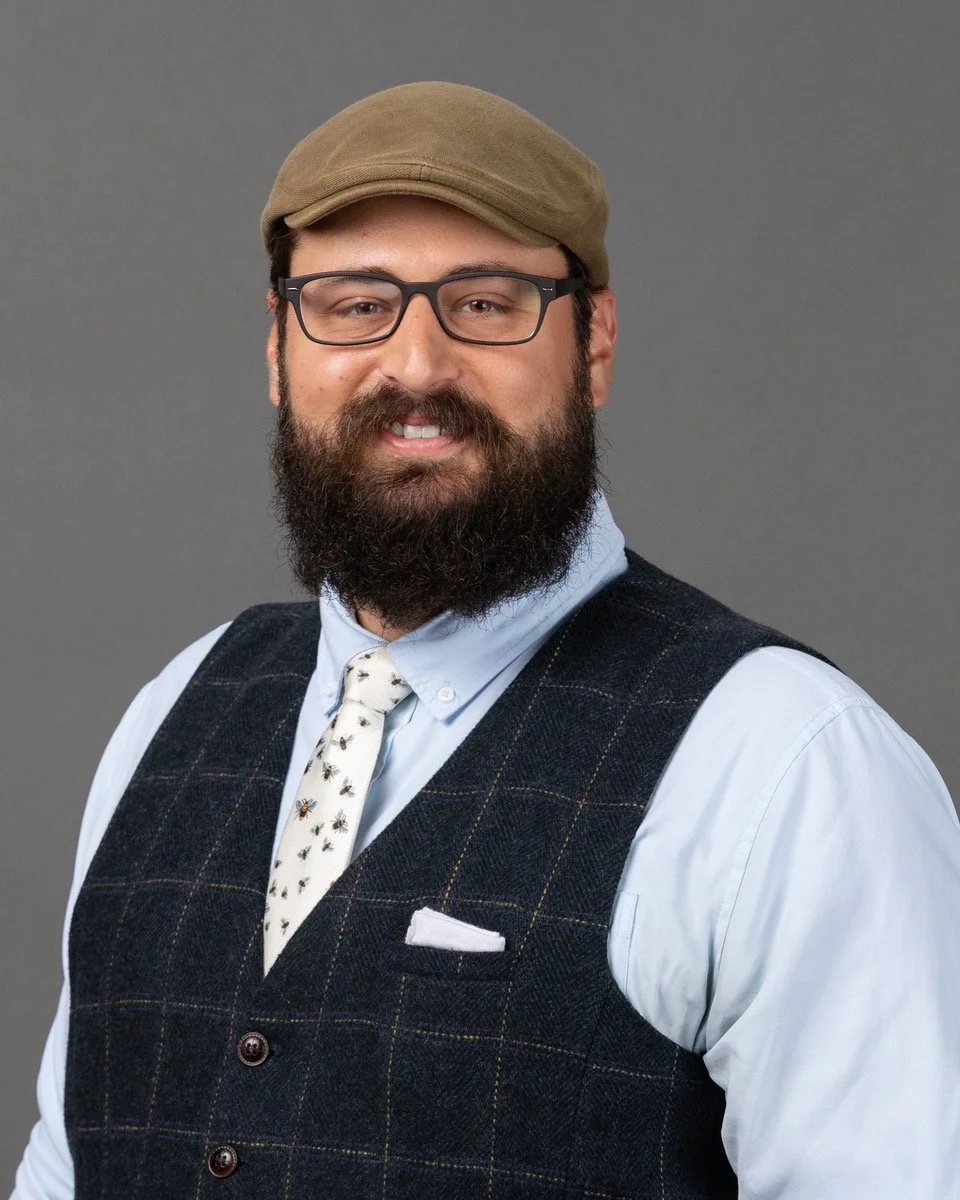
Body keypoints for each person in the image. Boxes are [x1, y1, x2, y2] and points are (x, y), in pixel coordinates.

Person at [12, 81, 960, 1200]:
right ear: (278, 347)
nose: (415, 366)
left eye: (487, 301)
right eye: (354, 303)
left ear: (594, 341)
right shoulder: (172, 711)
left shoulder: (787, 764)